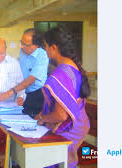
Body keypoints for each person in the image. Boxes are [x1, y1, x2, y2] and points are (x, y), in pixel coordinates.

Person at [35, 28, 90, 168]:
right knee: (66, 162)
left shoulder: (60, 75)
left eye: (46, 46)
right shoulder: (72, 66)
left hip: (68, 128)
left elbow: (61, 116)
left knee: (49, 162)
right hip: (79, 122)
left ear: (54, 47)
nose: (45, 50)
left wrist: (41, 118)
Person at [0, 28, 49, 117]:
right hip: (24, 91)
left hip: (37, 94)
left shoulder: (43, 56)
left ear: (36, 45)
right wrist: (21, 94)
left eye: (26, 44)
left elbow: (31, 79)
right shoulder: (23, 51)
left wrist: (11, 92)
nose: (21, 46)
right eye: (21, 43)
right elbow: (21, 73)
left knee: (32, 120)